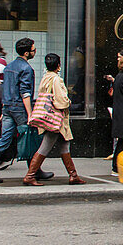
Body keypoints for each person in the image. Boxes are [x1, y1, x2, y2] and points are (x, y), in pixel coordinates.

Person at [0, 38, 53, 183]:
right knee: (30, 137)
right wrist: (30, 113)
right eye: (33, 49)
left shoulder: (9, 66)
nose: (35, 51)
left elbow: (5, 89)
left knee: (5, 138)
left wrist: (4, 109)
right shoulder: (26, 69)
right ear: (27, 53)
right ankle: (34, 171)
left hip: (7, 107)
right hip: (19, 108)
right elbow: (25, 92)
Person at [24, 53, 85, 185]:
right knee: (45, 146)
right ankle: (30, 176)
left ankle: (73, 175)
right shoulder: (57, 79)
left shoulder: (45, 77)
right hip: (56, 119)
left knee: (64, 144)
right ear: (58, 65)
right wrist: (68, 102)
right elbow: (60, 101)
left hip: (49, 117)